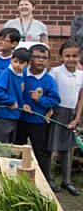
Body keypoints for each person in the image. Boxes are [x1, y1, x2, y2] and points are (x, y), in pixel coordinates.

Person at [16, 44, 60, 190]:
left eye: (44, 58)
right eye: (37, 57)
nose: (41, 60)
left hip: (38, 122)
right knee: (18, 148)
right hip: (21, 120)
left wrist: (40, 100)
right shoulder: (22, 74)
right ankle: (16, 175)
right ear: (30, 59)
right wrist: (22, 104)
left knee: (41, 151)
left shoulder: (48, 80)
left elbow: (55, 100)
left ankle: (46, 179)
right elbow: (16, 92)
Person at [47, 41, 82, 196]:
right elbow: (49, 93)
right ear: (61, 57)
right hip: (56, 112)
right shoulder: (55, 72)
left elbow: (80, 99)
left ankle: (66, 181)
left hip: (70, 114)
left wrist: (77, 118)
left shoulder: (81, 75)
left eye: (74, 56)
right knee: (51, 145)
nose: (71, 59)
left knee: (67, 148)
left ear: (79, 56)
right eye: (67, 56)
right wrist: (50, 110)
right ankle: (49, 177)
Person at [0, 48, 30, 143]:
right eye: (15, 61)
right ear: (11, 60)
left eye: (21, 63)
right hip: (3, 116)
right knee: (0, 147)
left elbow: (18, 95)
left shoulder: (22, 75)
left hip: (14, 116)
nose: (17, 65)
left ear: (27, 64)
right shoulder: (7, 73)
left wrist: (23, 104)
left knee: (9, 146)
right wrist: (11, 101)